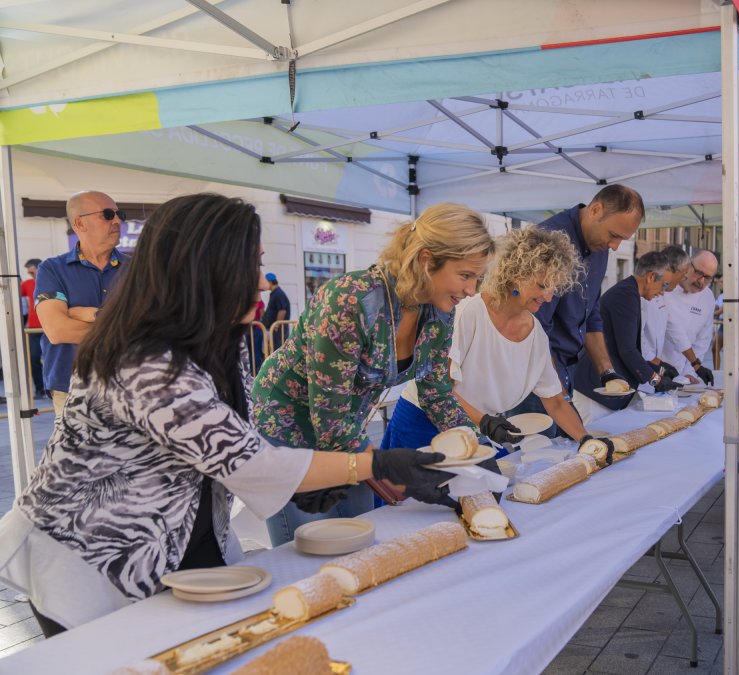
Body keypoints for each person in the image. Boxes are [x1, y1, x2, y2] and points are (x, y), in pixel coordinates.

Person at [0, 194, 455, 637]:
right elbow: (245, 460)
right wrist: (375, 464)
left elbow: (237, 440)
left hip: (176, 539)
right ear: (207, 272)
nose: (261, 282)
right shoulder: (142, 360)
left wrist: (309, 482)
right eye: (252, 266)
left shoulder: (220, 338)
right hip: (89, 556)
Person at [253, 203, 494, 545]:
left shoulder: (441, 314)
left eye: (477, 278)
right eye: (465, 275)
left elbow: (436, 393)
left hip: (344, 429)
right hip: (288, 429)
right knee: (308, 546)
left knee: (365, 533)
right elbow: (330, 418)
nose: (472, 290)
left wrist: (478, 450)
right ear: (427, 260)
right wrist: (389, 472)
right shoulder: (351, 300)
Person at [383, 226, 588, 451]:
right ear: (515, 274)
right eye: (541, 286)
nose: (549, 297)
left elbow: (555, 400)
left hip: (476, 427)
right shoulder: (468, 312)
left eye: (554, 289)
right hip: (424, 423)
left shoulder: (536, 334)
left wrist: (585, 439)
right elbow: (440, 388)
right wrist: (484, 422)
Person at [507, 186, 644, 426]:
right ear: (595, 210)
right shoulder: (549, 240)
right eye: (614, 235)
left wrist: (607, 371)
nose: (615, 246)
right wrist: (560, 397)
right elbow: (533, 327)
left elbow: (592, 315)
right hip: (533, 373)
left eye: (622, 239)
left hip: (564, 369)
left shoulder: (600, 246)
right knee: (539, 455)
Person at [34, 191, 130, 416]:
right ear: (79, 223)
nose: (117, 220)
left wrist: (91, 314)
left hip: (129, 383)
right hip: (71, 386)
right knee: (79, 452)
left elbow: (149, 326)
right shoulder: (52, 269)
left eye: (119, 214)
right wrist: (122, 327)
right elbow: (58, 331)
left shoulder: (138, 269)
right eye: (107, 214)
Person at [574, 251, 682, 423]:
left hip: (606, 390)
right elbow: (627, 350)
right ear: (651, 277)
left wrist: (658, 368)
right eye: (664, 286)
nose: (663, 292)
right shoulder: (625, 296)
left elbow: (623, 347)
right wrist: (655, 380)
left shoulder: (629, 292)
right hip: (596, 392)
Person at [661, 250, 719, 385]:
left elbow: (702, 341)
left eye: (708, 278)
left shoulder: (708, 297)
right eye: (699, 273)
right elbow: (673, 328)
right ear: (687, 266)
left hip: (684, 372)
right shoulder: (665, 288)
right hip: (657, 366)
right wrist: (696, 365)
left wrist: (690, 372)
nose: (701, 281)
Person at [642, 245, 688, 381]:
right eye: (683, 274)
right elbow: (636, 343)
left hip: (650, 368)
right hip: (641, 369)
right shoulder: (642, 297)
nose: (683, 279)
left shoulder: (662, 294)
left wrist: (696, 364)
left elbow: (674, 329)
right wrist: (660, 366)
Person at [20, 258, 45, 399]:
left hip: (51, 326)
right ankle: (40, 389)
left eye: (30, 269)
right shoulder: (28, 283)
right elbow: (13, 291)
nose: (29, 273)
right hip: (33, 327)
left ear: (36, 267)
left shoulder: (51, 280)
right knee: (34, 358)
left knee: (56, 358)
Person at [263, 272, 292, 348]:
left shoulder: (278, 294)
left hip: (279, 331)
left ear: (270, 282)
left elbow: (282, 311)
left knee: (279, 350)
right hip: (276, 331)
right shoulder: (275, 293)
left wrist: (276, 326)